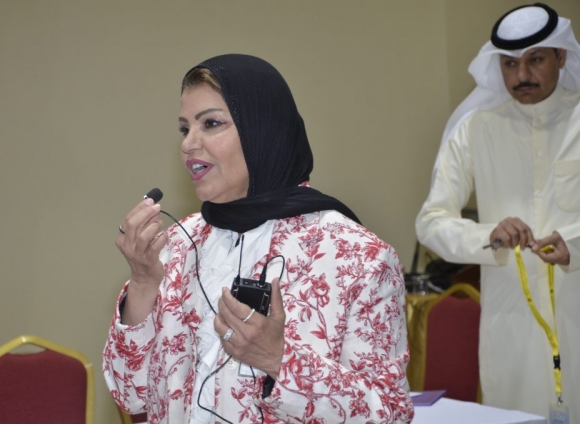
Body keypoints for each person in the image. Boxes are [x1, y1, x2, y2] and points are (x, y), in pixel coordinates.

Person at [103, 54, 413, 423]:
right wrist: (142, 282)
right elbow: (131, 396)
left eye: (211, 123)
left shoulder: (358, 257)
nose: (188, 144)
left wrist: (278, 359)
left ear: (262, 131)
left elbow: (390, 413)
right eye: (185, 129)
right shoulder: (178, 244)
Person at [416, 2, 580, 421]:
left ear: (561, 56)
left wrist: (575, 244)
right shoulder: (476, 129)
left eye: (535, 60)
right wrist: (487, 236)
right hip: (511, 325)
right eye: (509, 63)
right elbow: (430, 222)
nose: (521, 75)